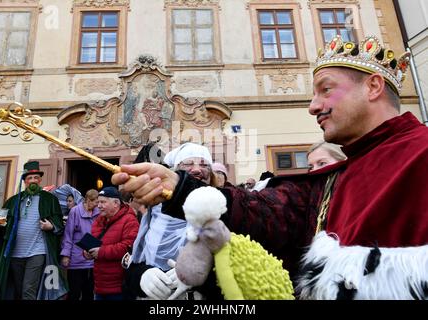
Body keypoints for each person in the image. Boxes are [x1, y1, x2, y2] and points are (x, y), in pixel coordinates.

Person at [111, 35, 428, 299]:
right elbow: (262, 212)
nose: (312, 106)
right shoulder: (335, 178)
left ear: (373, 87)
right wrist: (179, 186)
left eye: (326, 89)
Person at [123, 142, 219, 300]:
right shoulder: (156, 212)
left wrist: (201, 277)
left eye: (204, 165)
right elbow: (134, 264)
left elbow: (239, 270)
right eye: (188, 163)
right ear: (175, 173)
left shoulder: (225, 212)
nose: (197, 169)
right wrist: (142, 276)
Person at [0, 161, 65, 300]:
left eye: (36, 178)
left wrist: (51, 226)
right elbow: (1, 222)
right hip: (16, 253)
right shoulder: (14, 200)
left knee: (28, 290)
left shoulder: (49, 199)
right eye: (29, 178)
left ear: (40, 180)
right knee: (19, 289)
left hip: (38, 251)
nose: (33, 181)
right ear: (25, 181)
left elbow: (59, 222)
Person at [83, 186, 139, 300]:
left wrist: (101, 252)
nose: (99, 206)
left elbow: (128, 248)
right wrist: (86, 252)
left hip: (119, 288)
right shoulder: (99, 220)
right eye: (98, 202)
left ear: (116, 203)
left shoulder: (130, 220)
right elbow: (93, 243)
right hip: (99, 286)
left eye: (103, 202)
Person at [60, 189, 99, 300]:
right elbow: (68, 234)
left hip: (92, 259)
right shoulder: (75, 211)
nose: (97, 205)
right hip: (76, 259)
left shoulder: (98, 213)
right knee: (74, 292)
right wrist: (66, 255)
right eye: (95, 202)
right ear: (87, 200)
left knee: (89, 292)